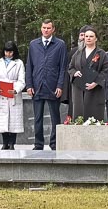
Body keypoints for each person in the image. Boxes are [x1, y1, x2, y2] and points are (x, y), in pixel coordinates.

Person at [25, 19, 67, 150]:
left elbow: (63, 67)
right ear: (41, 28)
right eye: (44, 27)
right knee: (37, 117)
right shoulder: (33, 44)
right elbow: (29, 66)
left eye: (49, 28)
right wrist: (29, 85)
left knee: (55, 116)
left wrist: (60, 85)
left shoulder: (60, 45)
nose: (46, 30)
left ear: (53, 29)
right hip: (37, 85)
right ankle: (38, 144)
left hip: (53, 86)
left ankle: (54, 143)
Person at [0, 40, 25, 150]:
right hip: (1, 94)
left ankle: (12, 143)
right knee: (2, 119)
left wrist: (16, 89)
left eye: (10, 52)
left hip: (13, 93)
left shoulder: (19, 63)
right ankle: (4, 142)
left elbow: (22, 80)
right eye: (6, 52)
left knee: (14, 120)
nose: (8, 54)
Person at [68, 27, 108, 122]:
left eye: (91, 36)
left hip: (95, 92)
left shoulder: (101, 54)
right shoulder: (78, 53)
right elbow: (70, 67)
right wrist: (74, 73)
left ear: (96, 38)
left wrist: (96, 82)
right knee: (79, 118)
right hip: (79, 90)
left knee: (94, 119)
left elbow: (106, 70)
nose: (88, 38)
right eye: (86, 36)